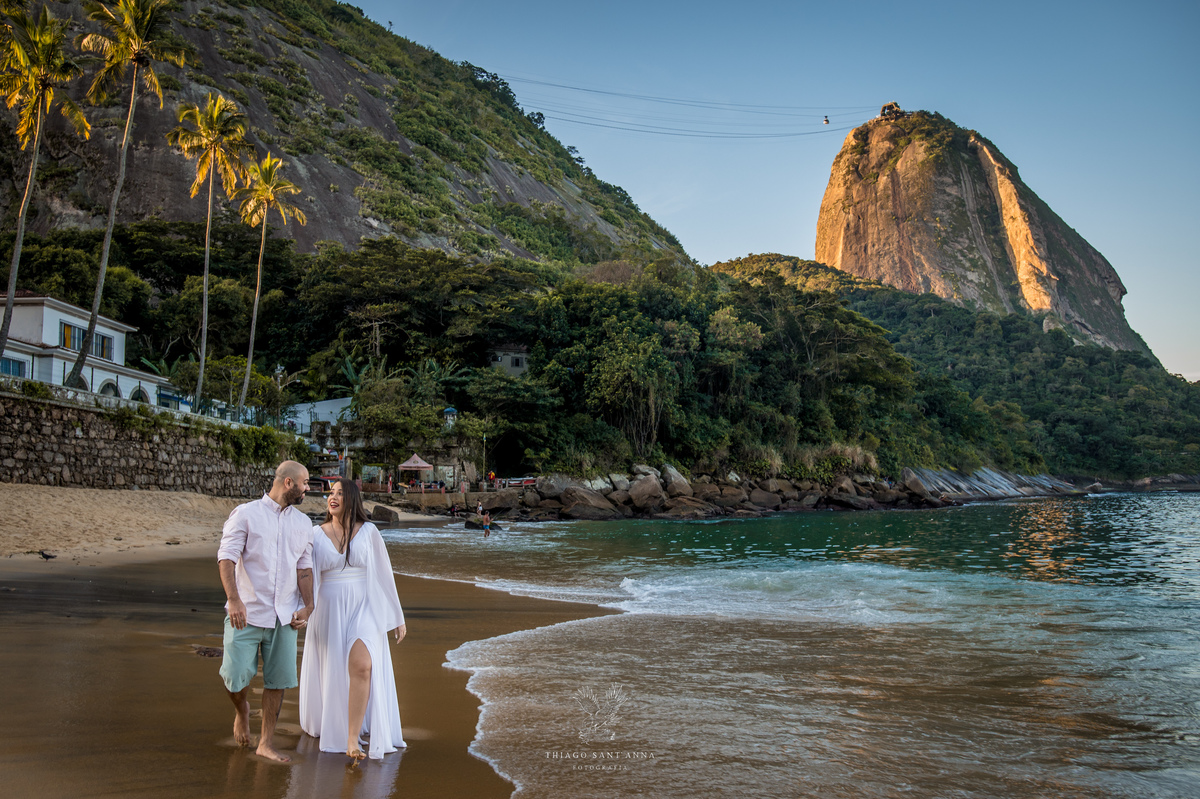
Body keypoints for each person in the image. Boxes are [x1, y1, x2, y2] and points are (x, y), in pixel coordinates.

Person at [300, 478, 407, 762]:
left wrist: (397, 616)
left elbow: (384, 574)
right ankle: (340, 725)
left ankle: (351, 740)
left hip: (365, 606)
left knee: (362, 666)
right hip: (328, 608)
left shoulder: (369, 531)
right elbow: (305, 575)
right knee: (334, 669)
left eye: (339, 493)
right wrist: (302, 609)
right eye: (330, 493)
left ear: (352, 498)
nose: (331, 497)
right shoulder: (315, 533)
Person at [217, 460, 314, 763]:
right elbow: (227, 559)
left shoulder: (303, 524)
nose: (308, 488)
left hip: (284, 616)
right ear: (289, 483)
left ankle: (266, 742)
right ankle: (242, 710)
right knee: (235, 678)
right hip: (246, 612)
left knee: (278, 681)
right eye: (305, 483)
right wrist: (234, 600)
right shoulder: (245, 515)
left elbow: (304, 568)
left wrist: (308, 606)